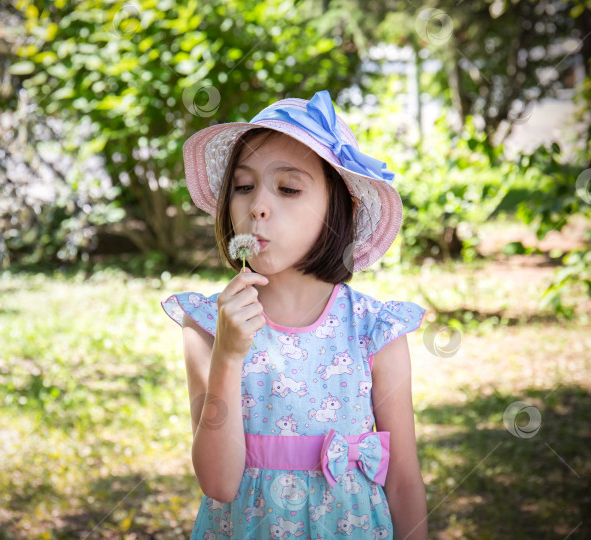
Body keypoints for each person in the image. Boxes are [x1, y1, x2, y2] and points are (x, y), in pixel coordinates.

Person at [160, 90, 429, 539]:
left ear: (339, 207)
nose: (257, 206)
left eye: (288, 188)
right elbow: (219, 483)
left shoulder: (375, 331)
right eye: (243, 187)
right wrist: (228, 356)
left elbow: (403, 482)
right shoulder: (207, 326)